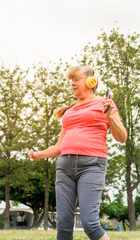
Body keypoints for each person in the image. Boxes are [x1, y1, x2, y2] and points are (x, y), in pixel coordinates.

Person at [28, 65, 127, 240]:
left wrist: (110, 116)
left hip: (92, 165)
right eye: (70, 80)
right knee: (64, 224)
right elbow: (60, 146)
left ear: (91, 81)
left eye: (76, 79)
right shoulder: (70, 111)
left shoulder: (104, 104)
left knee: (90, 223)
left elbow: (122, 137)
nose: (72, 84)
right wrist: (38, 154)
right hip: (64, 167)